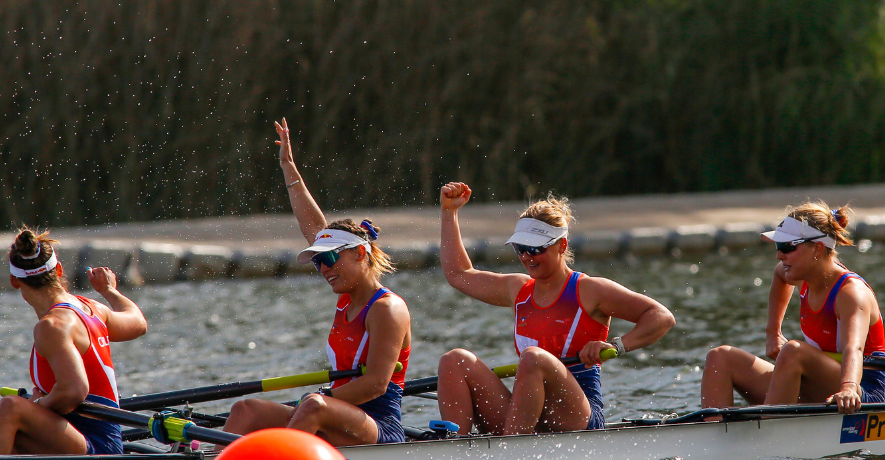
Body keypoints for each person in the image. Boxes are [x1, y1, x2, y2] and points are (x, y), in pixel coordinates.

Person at [218, 118, 412, 447]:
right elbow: (315, 229)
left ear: (360, 255)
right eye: (319, 261)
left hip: (378, 424)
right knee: (246, 409)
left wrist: (318, 398)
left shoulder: (387, 308)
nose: (324, 268)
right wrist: (288, 167)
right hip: (333, 410)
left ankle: (280, 451)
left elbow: (376, 384)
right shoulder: (346, 296)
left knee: (314, 405)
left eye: (331, 258)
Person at [436, 182, 675, 435]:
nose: (527, 256)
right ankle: (455, 447)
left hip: (577, 413)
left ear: (561, 246)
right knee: (454, 360)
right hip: (527, 412)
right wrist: (449, 212)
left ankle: (510, 450)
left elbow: (661, 317)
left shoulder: (589, 290)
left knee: (533, 357)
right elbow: (459, 274)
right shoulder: (518, 289)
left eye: (536, 248)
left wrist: (616, 346)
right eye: (521, 248)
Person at [701, 201, 885, 415]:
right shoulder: (798, 274)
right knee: (720, 357)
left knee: (793, 351)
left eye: (787, 247)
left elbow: (854, 349)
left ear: (816, 248)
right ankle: (713, 434)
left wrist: (848, 388)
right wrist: (773, 332)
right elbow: (780, 274)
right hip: (822, 385)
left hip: (865, 391)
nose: (779, 255)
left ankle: (768, 431)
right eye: (778, 247)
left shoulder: (850, 293)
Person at [1, 226, 147, 455]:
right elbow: (138, 323)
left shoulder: (51, 327)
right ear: (58, 269)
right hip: (82, 435)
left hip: (96, 445)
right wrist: (109, 291)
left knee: (10, 408)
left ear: (14, 280)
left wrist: (35, 406)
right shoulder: (92, 309)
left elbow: (73, 391)